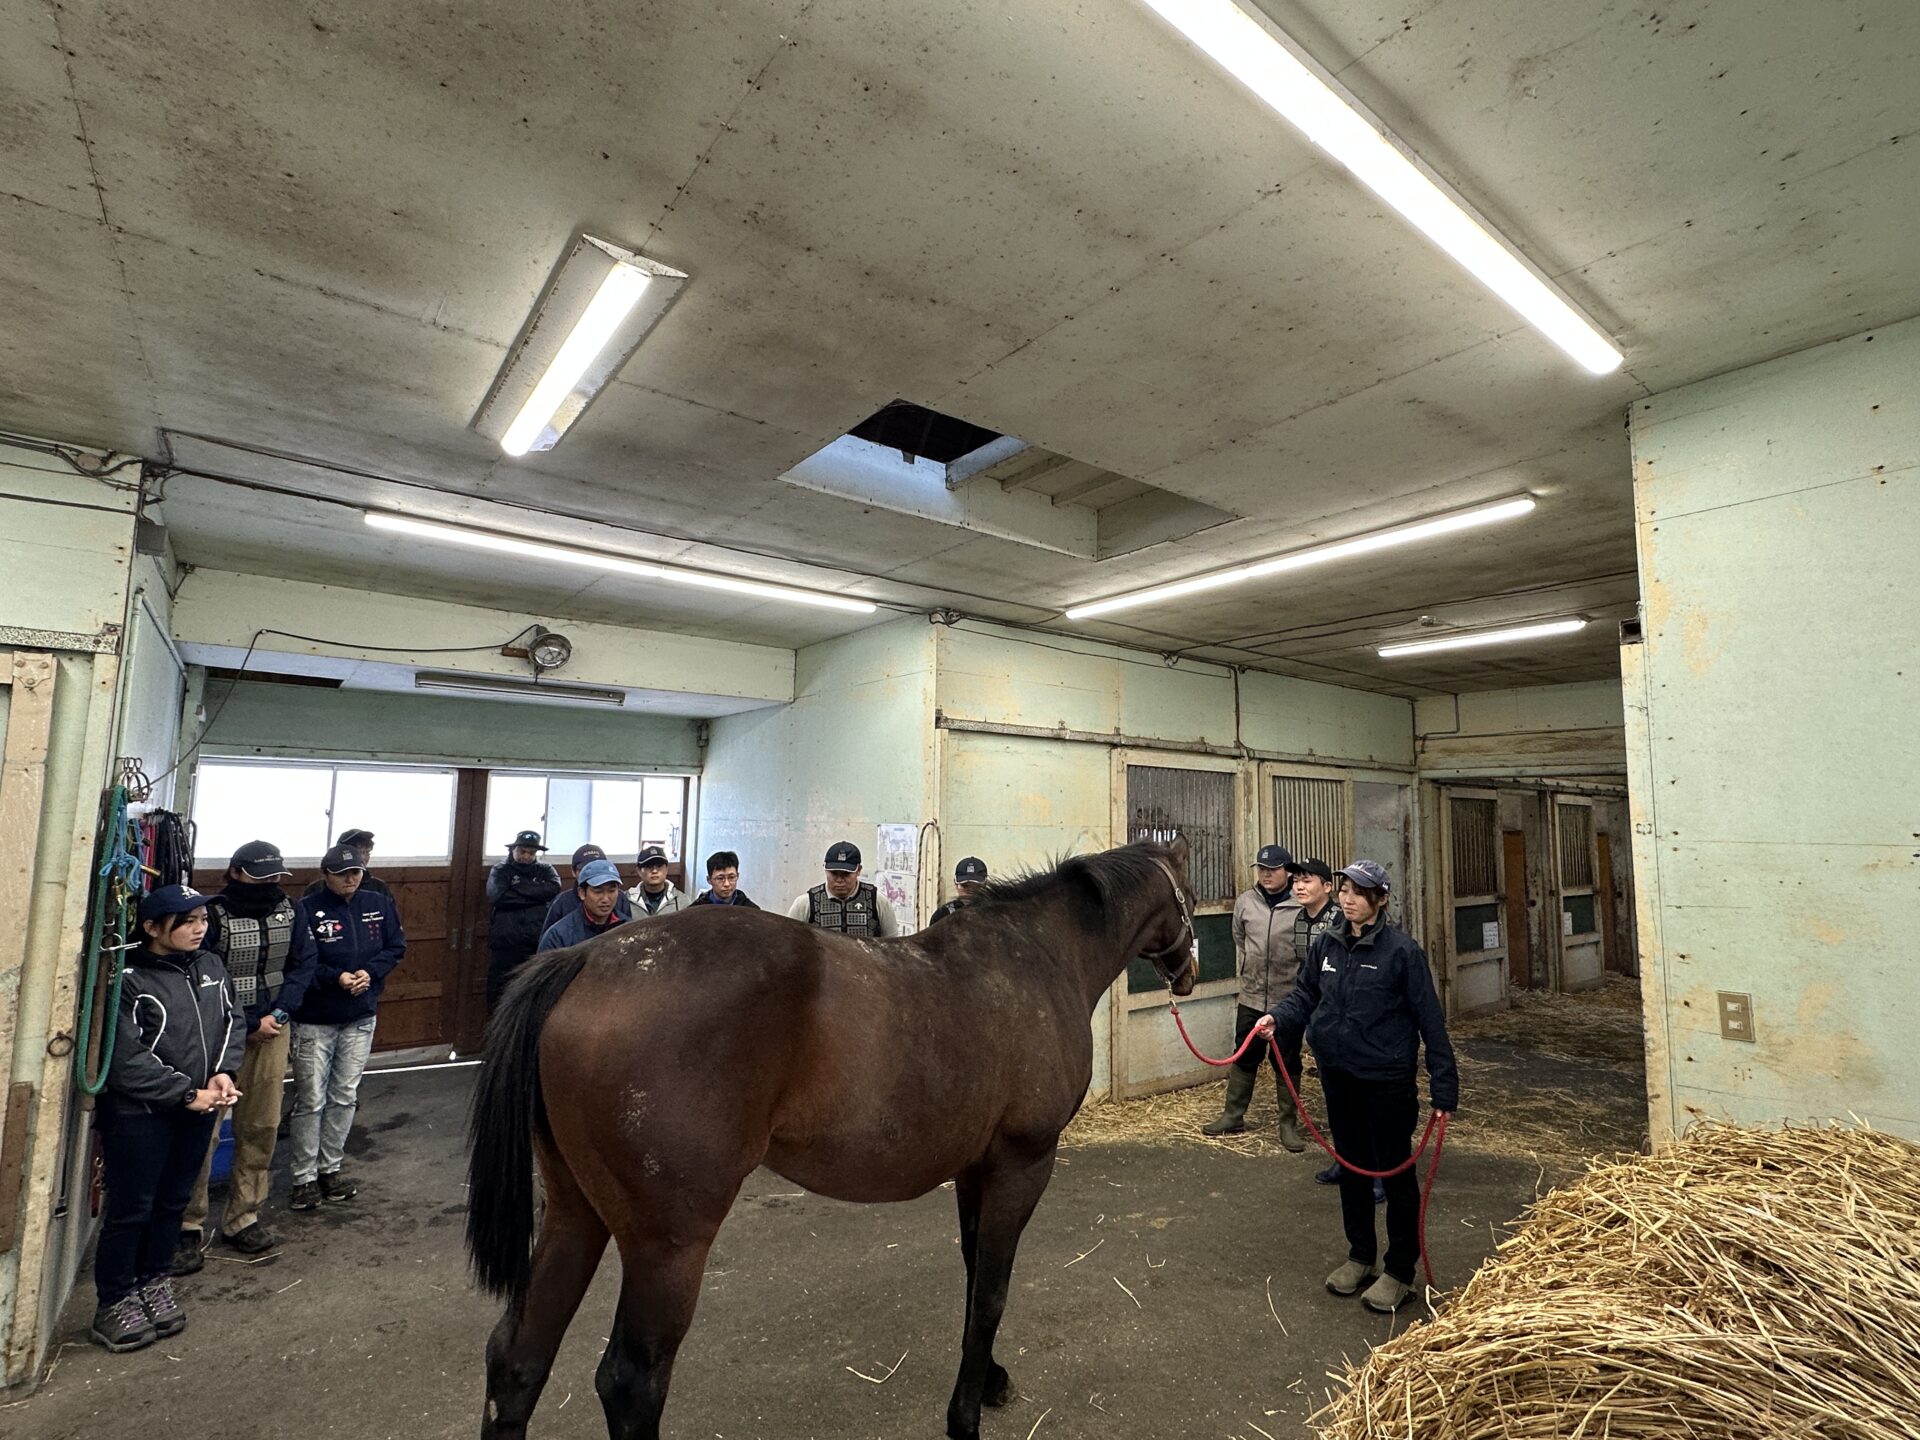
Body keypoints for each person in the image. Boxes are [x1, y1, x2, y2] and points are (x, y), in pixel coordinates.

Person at [1252, 860, 1458, 1314]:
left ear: (1380, 899)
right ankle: (1361, 1256)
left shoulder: (1402, 952)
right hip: (1338, 1074)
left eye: (1358, 892)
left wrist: (1445, 1087)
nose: (1347, 898)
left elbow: (1430, 1021)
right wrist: (1278, 1018)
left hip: (1386, 1079)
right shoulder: (1328, 944)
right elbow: (1307, 994)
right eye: (1344, 889)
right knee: (1352, 1168)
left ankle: (1400, 1270)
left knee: (1395, 1173)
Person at [90, 886, 244, 1352]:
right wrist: (184, 1093)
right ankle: (114, 1301)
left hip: (196, 1108)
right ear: (153, 927)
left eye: (202, 918)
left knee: (172, 1202)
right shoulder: (128, 977)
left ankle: (154, 1282)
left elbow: (231, 1022)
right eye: (187, 921)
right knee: (132, 1207)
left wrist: (222, 1073)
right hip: (140, 1114)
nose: (200, 928)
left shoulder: (211, 966)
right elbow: (123, 1059)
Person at [177, 840, 316, 1268]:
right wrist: (250, 1023)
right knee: (205, 1131)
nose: (271, 884)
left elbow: (303, 964)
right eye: (261, 877)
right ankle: (188, 1223)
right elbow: (199, 973)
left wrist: (279, 1012)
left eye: (275, 876)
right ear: (235, 873)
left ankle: (244, 1216)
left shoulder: (292, 911)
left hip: (273, 1029)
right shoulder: (211, 916)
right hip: (218, 1036)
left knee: (261, 1125)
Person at [287, 844, 406, 1212]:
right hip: (315, 1019)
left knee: (345, 1095)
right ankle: (303, 1177)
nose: (351, 879)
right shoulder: (306, 910)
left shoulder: (378, 903)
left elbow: (395, 946)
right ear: (325, 874)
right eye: (342, 874)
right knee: (310, 1099)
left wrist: (369, 973)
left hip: (360, 1015)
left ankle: (330, 1170)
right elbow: (300, 962)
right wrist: (334, 977)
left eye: (355, 872)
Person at [1205, 845, 1307, 1147]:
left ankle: (1288, 1124)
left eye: (1272, 869)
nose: (1265, 874)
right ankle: (1233, 1115)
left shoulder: (1299, 905)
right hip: (1251, 995)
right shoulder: (1246, 902)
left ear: (1287, 871)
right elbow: (1240, 938)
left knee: (1286, 1060)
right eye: (1261, 868)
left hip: (1287, 999)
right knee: (1245, 1055)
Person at [486, 831, 562, 1010]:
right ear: (513, 849)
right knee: (498, 996)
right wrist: (537, 896)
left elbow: (552, 889)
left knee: (532, 996)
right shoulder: (500, 870)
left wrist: (517, 888)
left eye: (531, 853)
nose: (526, 856)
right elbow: (499, 896)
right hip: (505, 945)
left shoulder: (545, 870)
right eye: (522, 851)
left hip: (535, 945)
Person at [787, 841, 899, 937]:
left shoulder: (878, 902)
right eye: (834, 873)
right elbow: (790, 943)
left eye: (846, 874)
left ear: (859, 870)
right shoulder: (805, 904)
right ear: (825, 870)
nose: (839, 880)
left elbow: (892, 947)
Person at [538, 859, 631, 950]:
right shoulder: (558, 936)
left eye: (611, 891)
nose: (605, 899)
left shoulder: (629, 929)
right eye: (598, 892)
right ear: (582, 893)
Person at [541, 844, 633, 934]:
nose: (605, 898)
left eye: (611, 891)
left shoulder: (621, 898)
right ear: (573, 871)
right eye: (584, 869)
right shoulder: (561, 902)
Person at [303, 829, 391, 900]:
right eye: (358, 852)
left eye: (367, 852)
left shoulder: (379, 888)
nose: (363, 857)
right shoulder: (315, 890)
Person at [628, 846, 690, 918]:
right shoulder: (627, 900)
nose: (654, 871)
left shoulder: (682, 901)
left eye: (659, 866)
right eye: (648, 866)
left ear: (666, 869)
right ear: (639, 871)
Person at [926, 855, 988, 926]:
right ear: (956, 884)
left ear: (985, 884)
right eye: (965, 885)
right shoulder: (943, 914)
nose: (970, 891)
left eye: (976, 886)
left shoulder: (993, 913)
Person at [690, 850, 759, 908]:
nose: (727, 884)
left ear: (737, 876)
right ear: (709, 880)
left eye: (731, 877)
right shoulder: (696, 910)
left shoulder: (751, 910)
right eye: (720, 878)